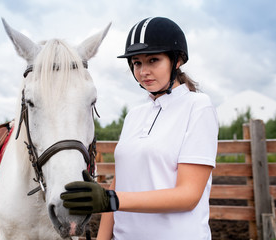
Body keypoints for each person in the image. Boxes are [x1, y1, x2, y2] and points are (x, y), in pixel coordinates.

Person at [61, 17, 219, 240]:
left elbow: (189, 195)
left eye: (153, 60)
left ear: (177, 60)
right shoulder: (135, 114)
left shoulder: (198, 106)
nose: (143, 71)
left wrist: (111, 199)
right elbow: (120, 181)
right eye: (137, 63)